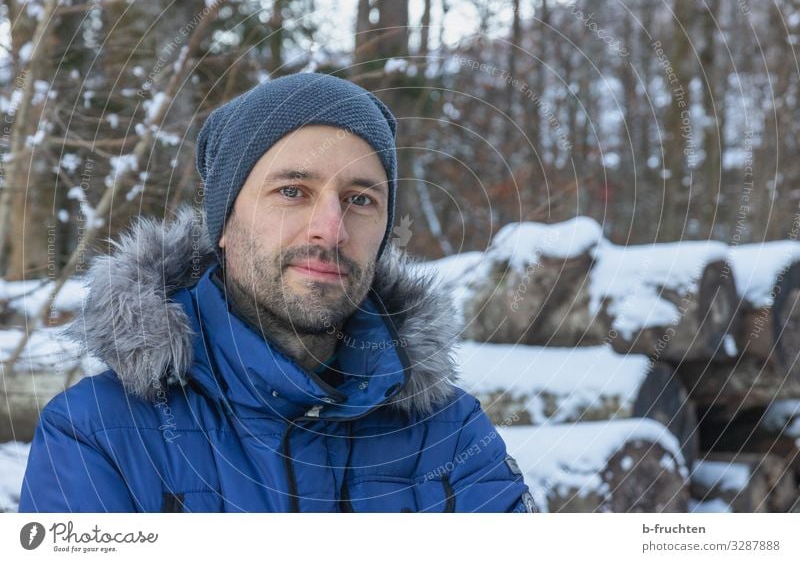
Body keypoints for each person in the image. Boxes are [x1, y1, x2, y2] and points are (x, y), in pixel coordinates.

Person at [18, 72, 537, 513]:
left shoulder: (449, 435)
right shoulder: (96, 433)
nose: (330, 230)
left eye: (360, 199)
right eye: (293, 191)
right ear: (223, 222)